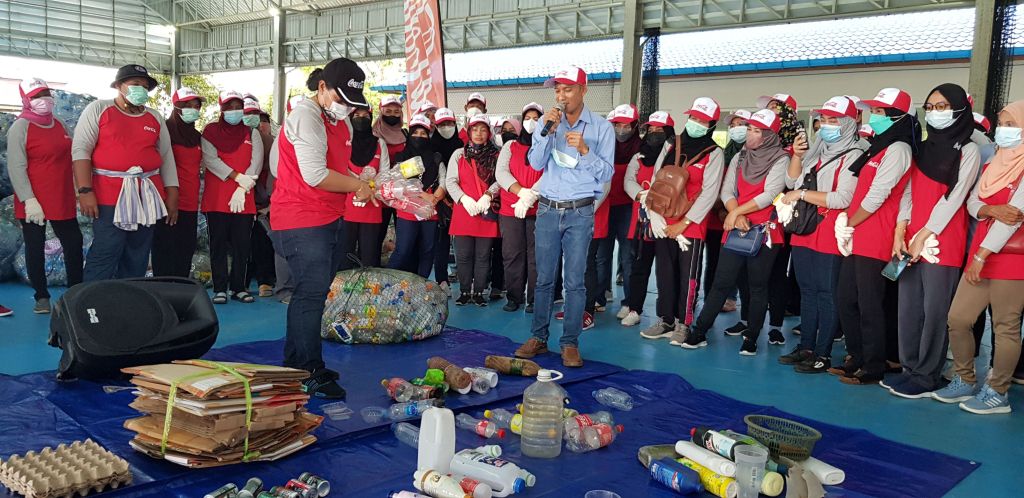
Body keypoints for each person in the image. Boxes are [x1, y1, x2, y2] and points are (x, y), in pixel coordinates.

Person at [271, 58, 375, 399]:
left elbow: (337, 170)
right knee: (310, 294)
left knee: (313, 293)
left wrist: (362, 183)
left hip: (328, 217)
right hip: (302, 220)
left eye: (353, 103)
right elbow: (314, 174)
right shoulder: (305, 116)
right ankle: (309, 370)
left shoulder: (337, 122)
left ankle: (296, 364)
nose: (347, 108)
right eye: (342, 99)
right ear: (322, 88)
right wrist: (357, 186)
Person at [514, 66, 614, 368]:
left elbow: (607, 173)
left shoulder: (601, 128)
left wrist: (585, 150)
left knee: (574, 281)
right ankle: (538, 338)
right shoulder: (548, 124)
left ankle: (570, 343)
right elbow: (535, 162)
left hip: (580, 211)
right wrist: (546, 133)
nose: (561, 95)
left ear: (583, 90)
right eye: (557, 90)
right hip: (547, 208)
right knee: (544, 278)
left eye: (567, 89)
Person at [884, 84, 981, 398]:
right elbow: (909, 192)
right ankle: (910, 368)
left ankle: (927, 376)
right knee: (909, 308)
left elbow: (955, 198)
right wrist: (901, 230)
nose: (935, 112)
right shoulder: (922, 148)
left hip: (943, 240)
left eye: (942, 106)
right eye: (930, 107)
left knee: (934, 310)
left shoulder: (969, 150)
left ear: (958, 109)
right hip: (912, 237)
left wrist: (924, 234)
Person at [936, 99, 1024, 414]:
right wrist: (988, 208)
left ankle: (998, 391)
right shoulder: (994, 163)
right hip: (981, 256)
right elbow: (974, 203)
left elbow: (1014, 217)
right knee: (958, 318)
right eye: (1002, 124)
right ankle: (964, 379)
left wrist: (982, 256)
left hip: (1010, 260)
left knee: (1005, 326)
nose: (1004, 131)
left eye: (1012, 125)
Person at [682, 109, 788, 355]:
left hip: (765, 232)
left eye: (756, 131)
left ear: (770, 135)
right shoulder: (741, 155)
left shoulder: (781, 158)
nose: (750, 135)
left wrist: (734, 213)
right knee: (721, 282)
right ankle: (699, 331)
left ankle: (751, 337)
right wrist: (736, 214)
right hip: (736, 227)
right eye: (749, 129)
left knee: (758, 286)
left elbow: (770, 194)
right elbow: (727, 190)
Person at [831, 88, 916, 385]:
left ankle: (874, 364)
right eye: (874, 111)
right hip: (858, 233)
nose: (874, 117)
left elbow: (878, 195)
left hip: (875, 234)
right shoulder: (878, 147)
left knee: (869, 304)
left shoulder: (899, 150)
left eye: (880, 112)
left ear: (897, 116)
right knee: (845, 298)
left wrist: (850, 223)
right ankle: (857, 355)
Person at [777, 97, 861, 373]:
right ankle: (807, 347)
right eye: (823, 120)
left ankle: (823, 353)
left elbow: (842, 197)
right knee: (807, 291)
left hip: (829, 230)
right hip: (804, 229)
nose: (826, 125)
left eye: (833, 120)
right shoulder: (817, 149)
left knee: (827, 293)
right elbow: (791, 181)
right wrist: (798, 156)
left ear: (849, 123)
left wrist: (801, 195)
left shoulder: (855, 153)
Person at [72, 64, 178, 281]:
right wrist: (84, 190)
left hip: (147, 195)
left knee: (138, 253)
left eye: (145, 86)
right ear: (119, 86)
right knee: (107, 249)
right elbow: (81, 149)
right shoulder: (99, 109)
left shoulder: (154, 117)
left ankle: (129, 302)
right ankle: (93, 303)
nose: (141, 89)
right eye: (135, 84)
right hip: (108, 196)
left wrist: (172, 194)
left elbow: (166, 157)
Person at [638, 98, 726, 347]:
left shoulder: (713, 153)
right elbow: (657, 178)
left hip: (691, 225)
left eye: (702, 120)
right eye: (694, 117)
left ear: (711, 125)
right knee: (664, 272)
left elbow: (710, 192)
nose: (696, 123)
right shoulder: (670, 144)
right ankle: (665, 319)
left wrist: (684, 223)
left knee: (688, 276)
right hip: (663, 219)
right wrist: (655, 214)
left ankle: (683, 323)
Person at [6, 77, 83, 313]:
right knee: (35, 245)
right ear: (26, 100)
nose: (44, 100)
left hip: (61, 196)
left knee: (73, 242)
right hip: (32, 199)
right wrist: (29, 199)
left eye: (46, 93)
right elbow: (16, 166)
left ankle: (76, 292)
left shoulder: (59, 123)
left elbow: (73, 158)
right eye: (37, 96)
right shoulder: (20, 127)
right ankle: (41, 296)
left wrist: (79, 189)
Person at [201, 90, 264, 304]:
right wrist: (238, 178)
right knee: (217, 245)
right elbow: (211, 160)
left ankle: (239, 287)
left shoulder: (251, 132)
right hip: (217, 200)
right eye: (229, 107)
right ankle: (220, 288)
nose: (234, 111)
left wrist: (244, 187)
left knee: (242, 245)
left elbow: (256, 162)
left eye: (238, 107)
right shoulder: (210, 131)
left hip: (244, 199)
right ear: (221, 109)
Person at [620, 112, 675, 328]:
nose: (653, 134)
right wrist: (642, 195)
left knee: (666, 270)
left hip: (666, 222)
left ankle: (667, 314)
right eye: (650, 130)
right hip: (642, 223)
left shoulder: (675, 154)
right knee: (639, 268)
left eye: (659, 131)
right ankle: (635, 309)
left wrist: (656, 198)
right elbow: (628, 181)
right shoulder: (638, 156)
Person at [446, 114, 501, 306]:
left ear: (489, 133)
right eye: (475, 129)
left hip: (485, 211)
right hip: (464, 211)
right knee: (463, 256)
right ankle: (463, 291)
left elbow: (499, 179)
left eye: (483, 129)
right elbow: (450, 181)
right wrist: (463, 198)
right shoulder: (458, 154)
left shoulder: (497, 155)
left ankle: (478, 292)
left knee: (483, 256)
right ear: (469, 131)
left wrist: (489, 195)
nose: (479, 134)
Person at [496, 105, 544, 313]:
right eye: (527, 117)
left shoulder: (546, 146)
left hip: (539, 207)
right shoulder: (511, 146)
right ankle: (514, 296)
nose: (531, 122)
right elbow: (501, 172)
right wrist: (521, 193)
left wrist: (532, 195)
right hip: (510, 208)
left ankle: (534, 299)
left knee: (536, 255)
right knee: (512, 252)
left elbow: (550, 173)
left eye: (536, 118)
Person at [388, 113, 446, 277]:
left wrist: (435, 197)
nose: (419, 137)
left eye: (423, 134)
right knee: (404, 249)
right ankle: (388, 281)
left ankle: (422, 285)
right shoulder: (402, 157)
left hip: (430, 209)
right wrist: (422, 195)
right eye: (415, 133)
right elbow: (398, 182)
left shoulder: (435, 157)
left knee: (428, 250)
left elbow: (443, 180)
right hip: (408, 209)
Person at [709, 109, 752, 315]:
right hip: (718, 214)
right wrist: (720, 208)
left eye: (741, 124)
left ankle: (732, 298)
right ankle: (713, 298)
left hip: (742, 216)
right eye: (732, 126)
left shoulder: (754, 154)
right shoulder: (725, 152)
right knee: (715, 260)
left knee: (740, 264)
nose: (736, 129)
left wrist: (733, 212)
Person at [340, 106, 390, 268]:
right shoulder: (344, 142)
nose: (361, 119)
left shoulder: (379, 143)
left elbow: (385, 173)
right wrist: (357, 186)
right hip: (344, 206)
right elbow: (338, 168)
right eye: (357, 115)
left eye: (365, 116)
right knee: (344, 253)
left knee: (369, 254)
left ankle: (369, 291)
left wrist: (371, 188)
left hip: (372, 205)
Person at [605, 104, 643, 319]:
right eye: (617, 124)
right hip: (605, 205)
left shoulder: (641, 148)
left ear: (635, 125)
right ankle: (601, 294)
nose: (621, 129)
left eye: (626, 125)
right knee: (602, 254)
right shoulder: (606, 145)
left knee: (628, 256)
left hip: (629, 207)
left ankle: (629, 302)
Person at [431, 107, 463, 292]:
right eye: (442, 124)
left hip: (460, 199)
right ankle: (442, 280)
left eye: (449, 123)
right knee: (441, 242)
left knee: (462, 243)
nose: (446, 127)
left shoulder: (461, 145)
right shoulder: (430, 147)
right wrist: (440, 195)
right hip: (439, 200)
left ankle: (468, 280)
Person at [249, 110, 277, 297]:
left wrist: (270, 207)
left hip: (276, 205)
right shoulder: (247, 151)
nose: (261, 125)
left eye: (264, 121)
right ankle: (261, 280)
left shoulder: (278, 149)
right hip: (249, 205)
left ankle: (267, 279)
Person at [373, 96, 405, 252]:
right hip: (378, 193)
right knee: (375, 236)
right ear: (381, 111)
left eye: (396, 112)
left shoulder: (406, 134)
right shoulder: (372, 135)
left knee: (404, 236)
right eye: (388, 111)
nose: (392, 114)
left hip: (402, 193)